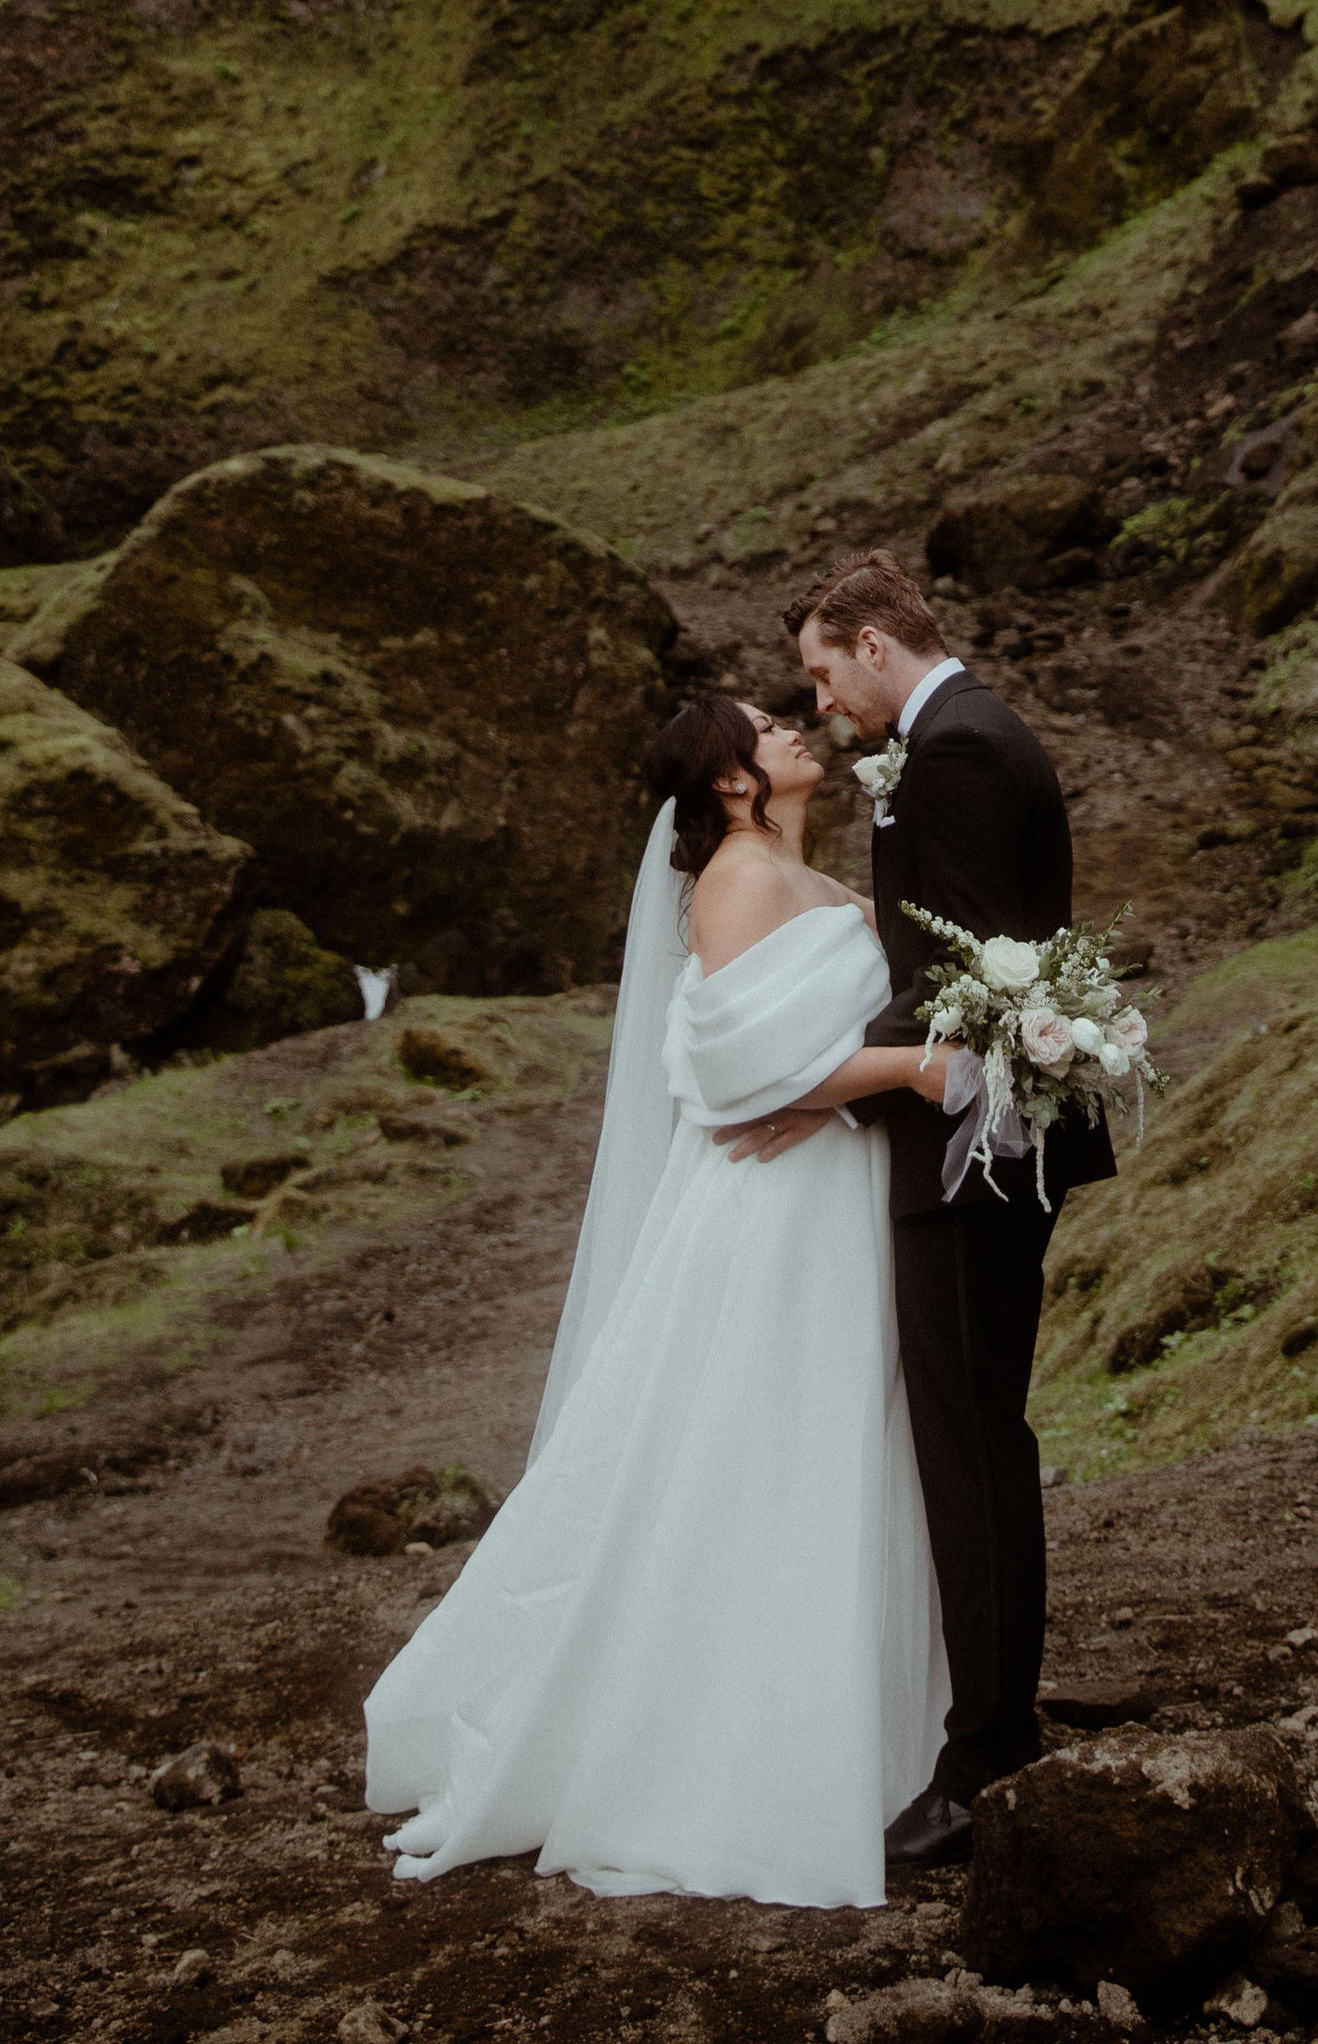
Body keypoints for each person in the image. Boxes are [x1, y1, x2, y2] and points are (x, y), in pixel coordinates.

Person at [360, 689, 953, 1908]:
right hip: (777, 1210)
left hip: (829, 1190)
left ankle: (849, 1723)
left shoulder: (792, 867)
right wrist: (915, 1068)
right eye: (769, 726)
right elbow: (732, 1075)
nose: (796, 731)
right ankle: (721, 1751)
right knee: (762, 1448)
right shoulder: (737, 876)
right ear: (734, 782)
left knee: (814, 1443)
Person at [716, 553, 1111, 1870]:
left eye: (826, 674)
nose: (824, 705)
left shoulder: (954, 756)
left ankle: (987, 1754)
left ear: (876, 643)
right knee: (977, 1436)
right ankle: (996, 1719)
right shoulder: (970, 735)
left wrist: (829, 1094)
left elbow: (966, 989)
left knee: (971, 1444)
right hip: (989, 1143)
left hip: (974, 1156)